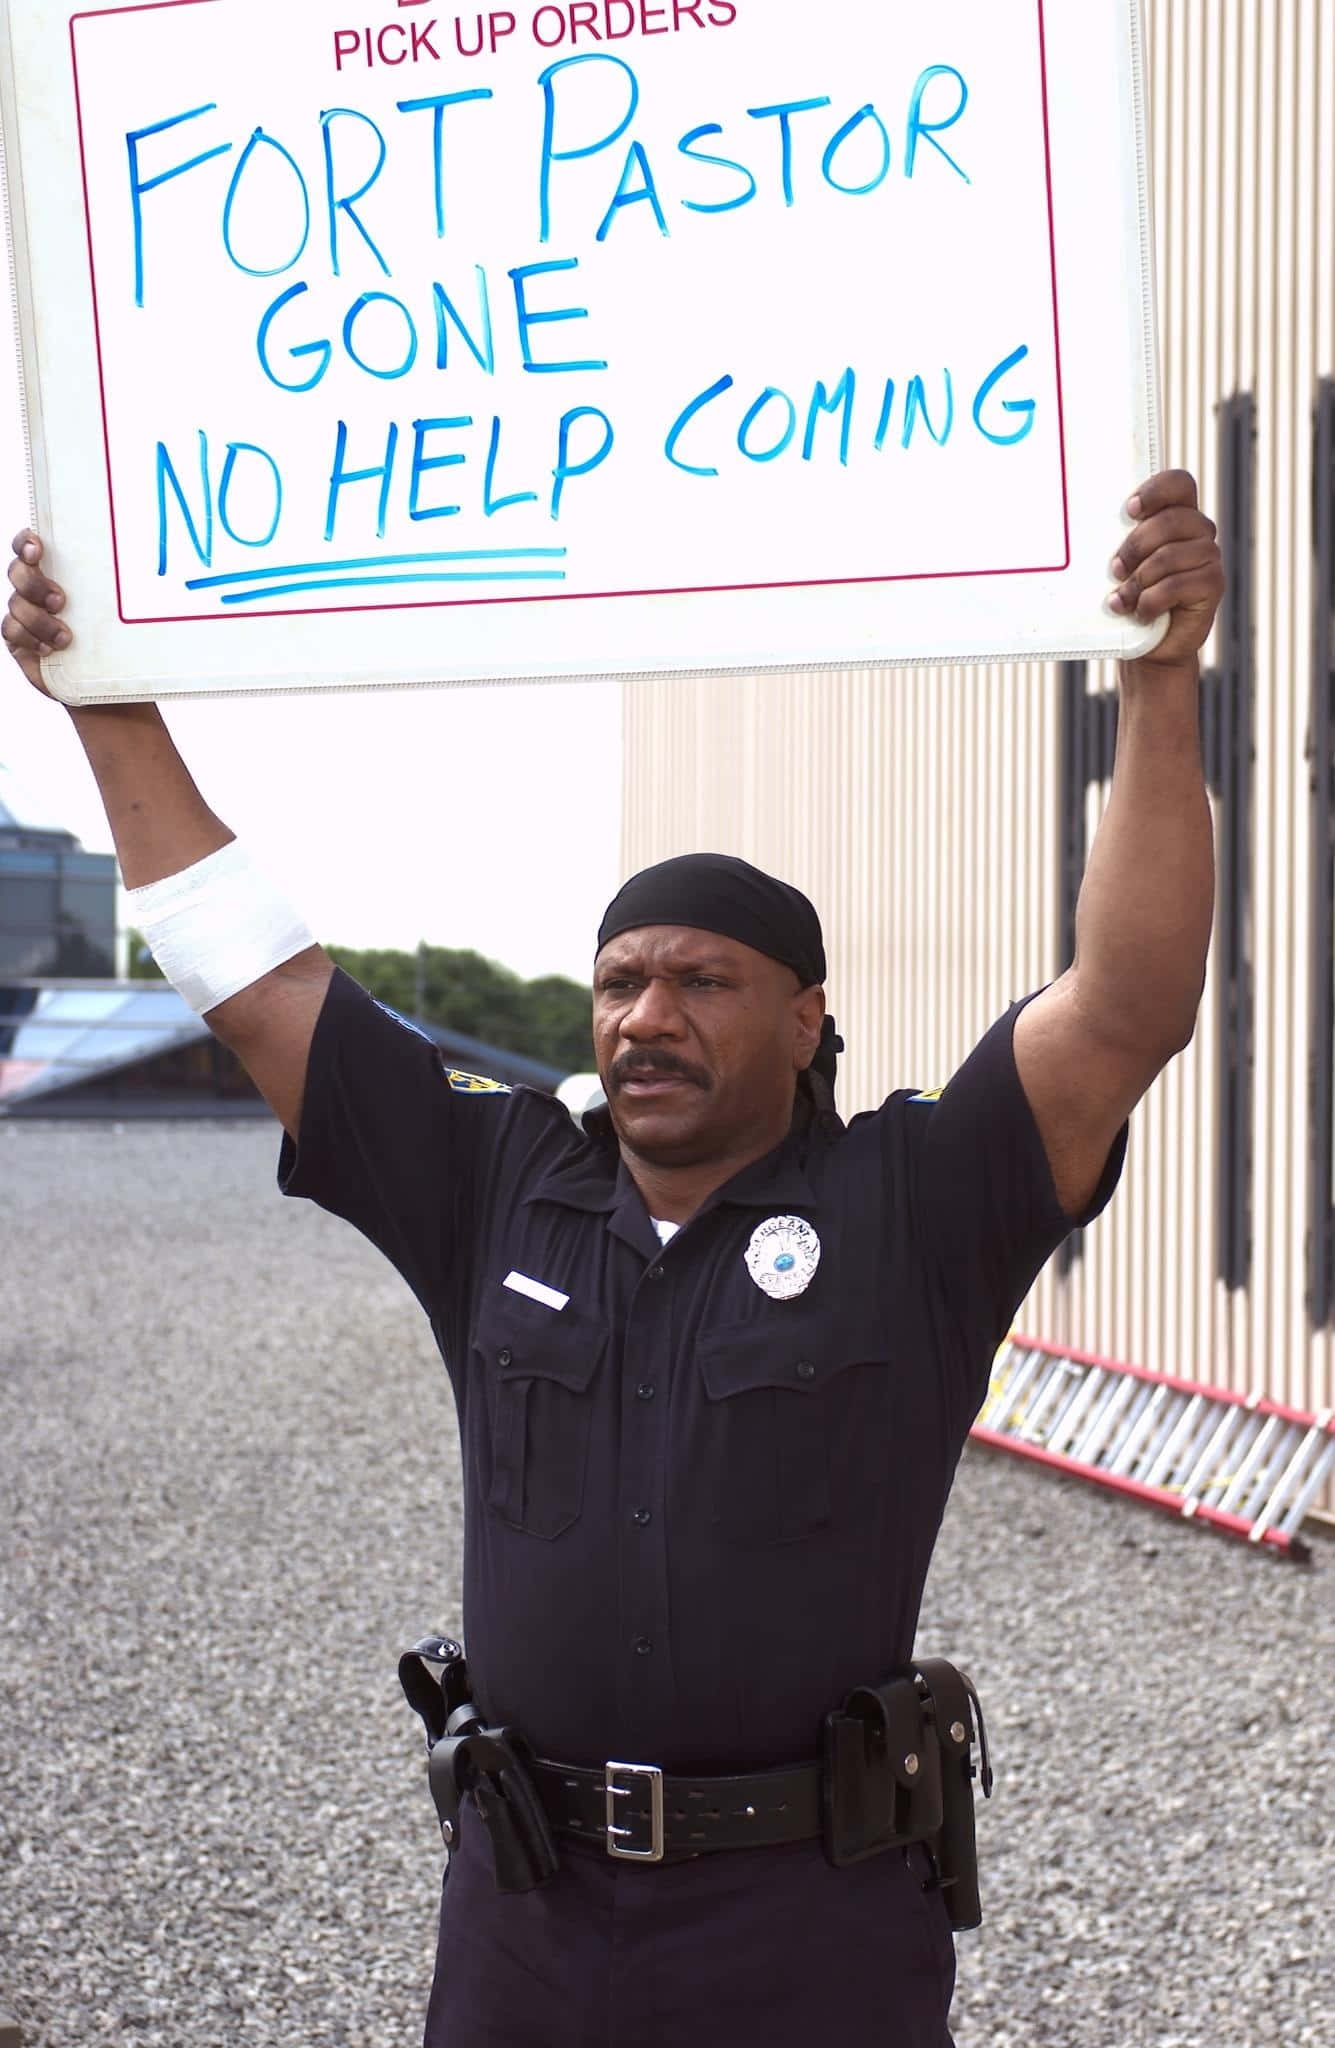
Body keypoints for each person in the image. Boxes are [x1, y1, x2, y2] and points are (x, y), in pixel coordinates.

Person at [4, 472, 1224, 2046]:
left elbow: (1126, 1008)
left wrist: (1158, 675)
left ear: (805, 1020)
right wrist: (106, 701)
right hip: (528, 1916)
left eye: (703, 982)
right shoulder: (494, 1178)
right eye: (621, 981)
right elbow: (259, 982)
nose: (647, 1015)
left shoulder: (915, 1200)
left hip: (813, 1923)